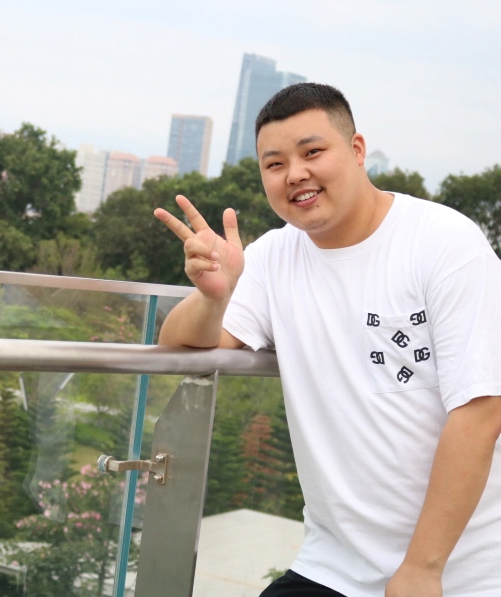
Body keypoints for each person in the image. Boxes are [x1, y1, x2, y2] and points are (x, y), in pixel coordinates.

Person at [153, 83, 501, 597]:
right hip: (332, 566)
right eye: (274, 164)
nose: (295, 174)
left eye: (312, 152)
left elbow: (481, 410)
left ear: (357, 150)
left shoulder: (444, 243)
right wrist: (212, 298)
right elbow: (178, 346)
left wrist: (423, 568)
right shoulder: (273, 258)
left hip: (461, 573)